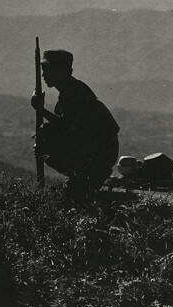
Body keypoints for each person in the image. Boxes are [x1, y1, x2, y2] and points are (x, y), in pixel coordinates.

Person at [31, 49, 119, 198]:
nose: (43, 75)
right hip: (97, 148)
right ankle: (80, 177)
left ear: (63, 71)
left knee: (44, 140)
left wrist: (41, 110)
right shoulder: (69, 91)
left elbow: (66, 126)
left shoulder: (74, 92)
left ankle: (86, 176)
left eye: (48, 69)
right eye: (43, 70)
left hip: (101, 151)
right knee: (45, 134)